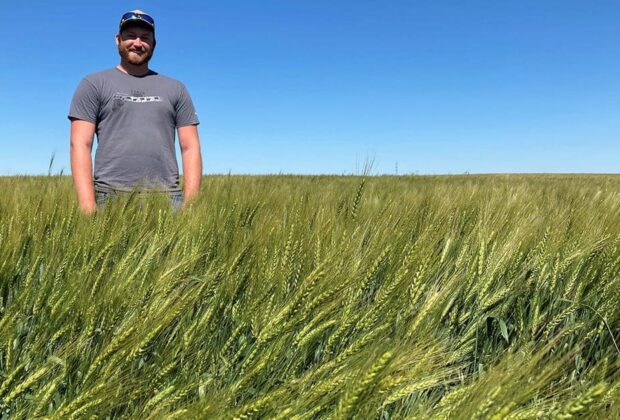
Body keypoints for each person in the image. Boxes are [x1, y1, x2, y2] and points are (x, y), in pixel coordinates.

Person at [68, 10, 202, 214]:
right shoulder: (93, 84)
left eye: (145, 38)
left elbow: (190, 146)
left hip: (167, 197)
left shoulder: (176, 88)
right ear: (118, 39)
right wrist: (87, 204)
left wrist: (190, 204)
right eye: (130, 36)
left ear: (154, 43)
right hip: (109, 196)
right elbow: (80, 143)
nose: (138, 43)